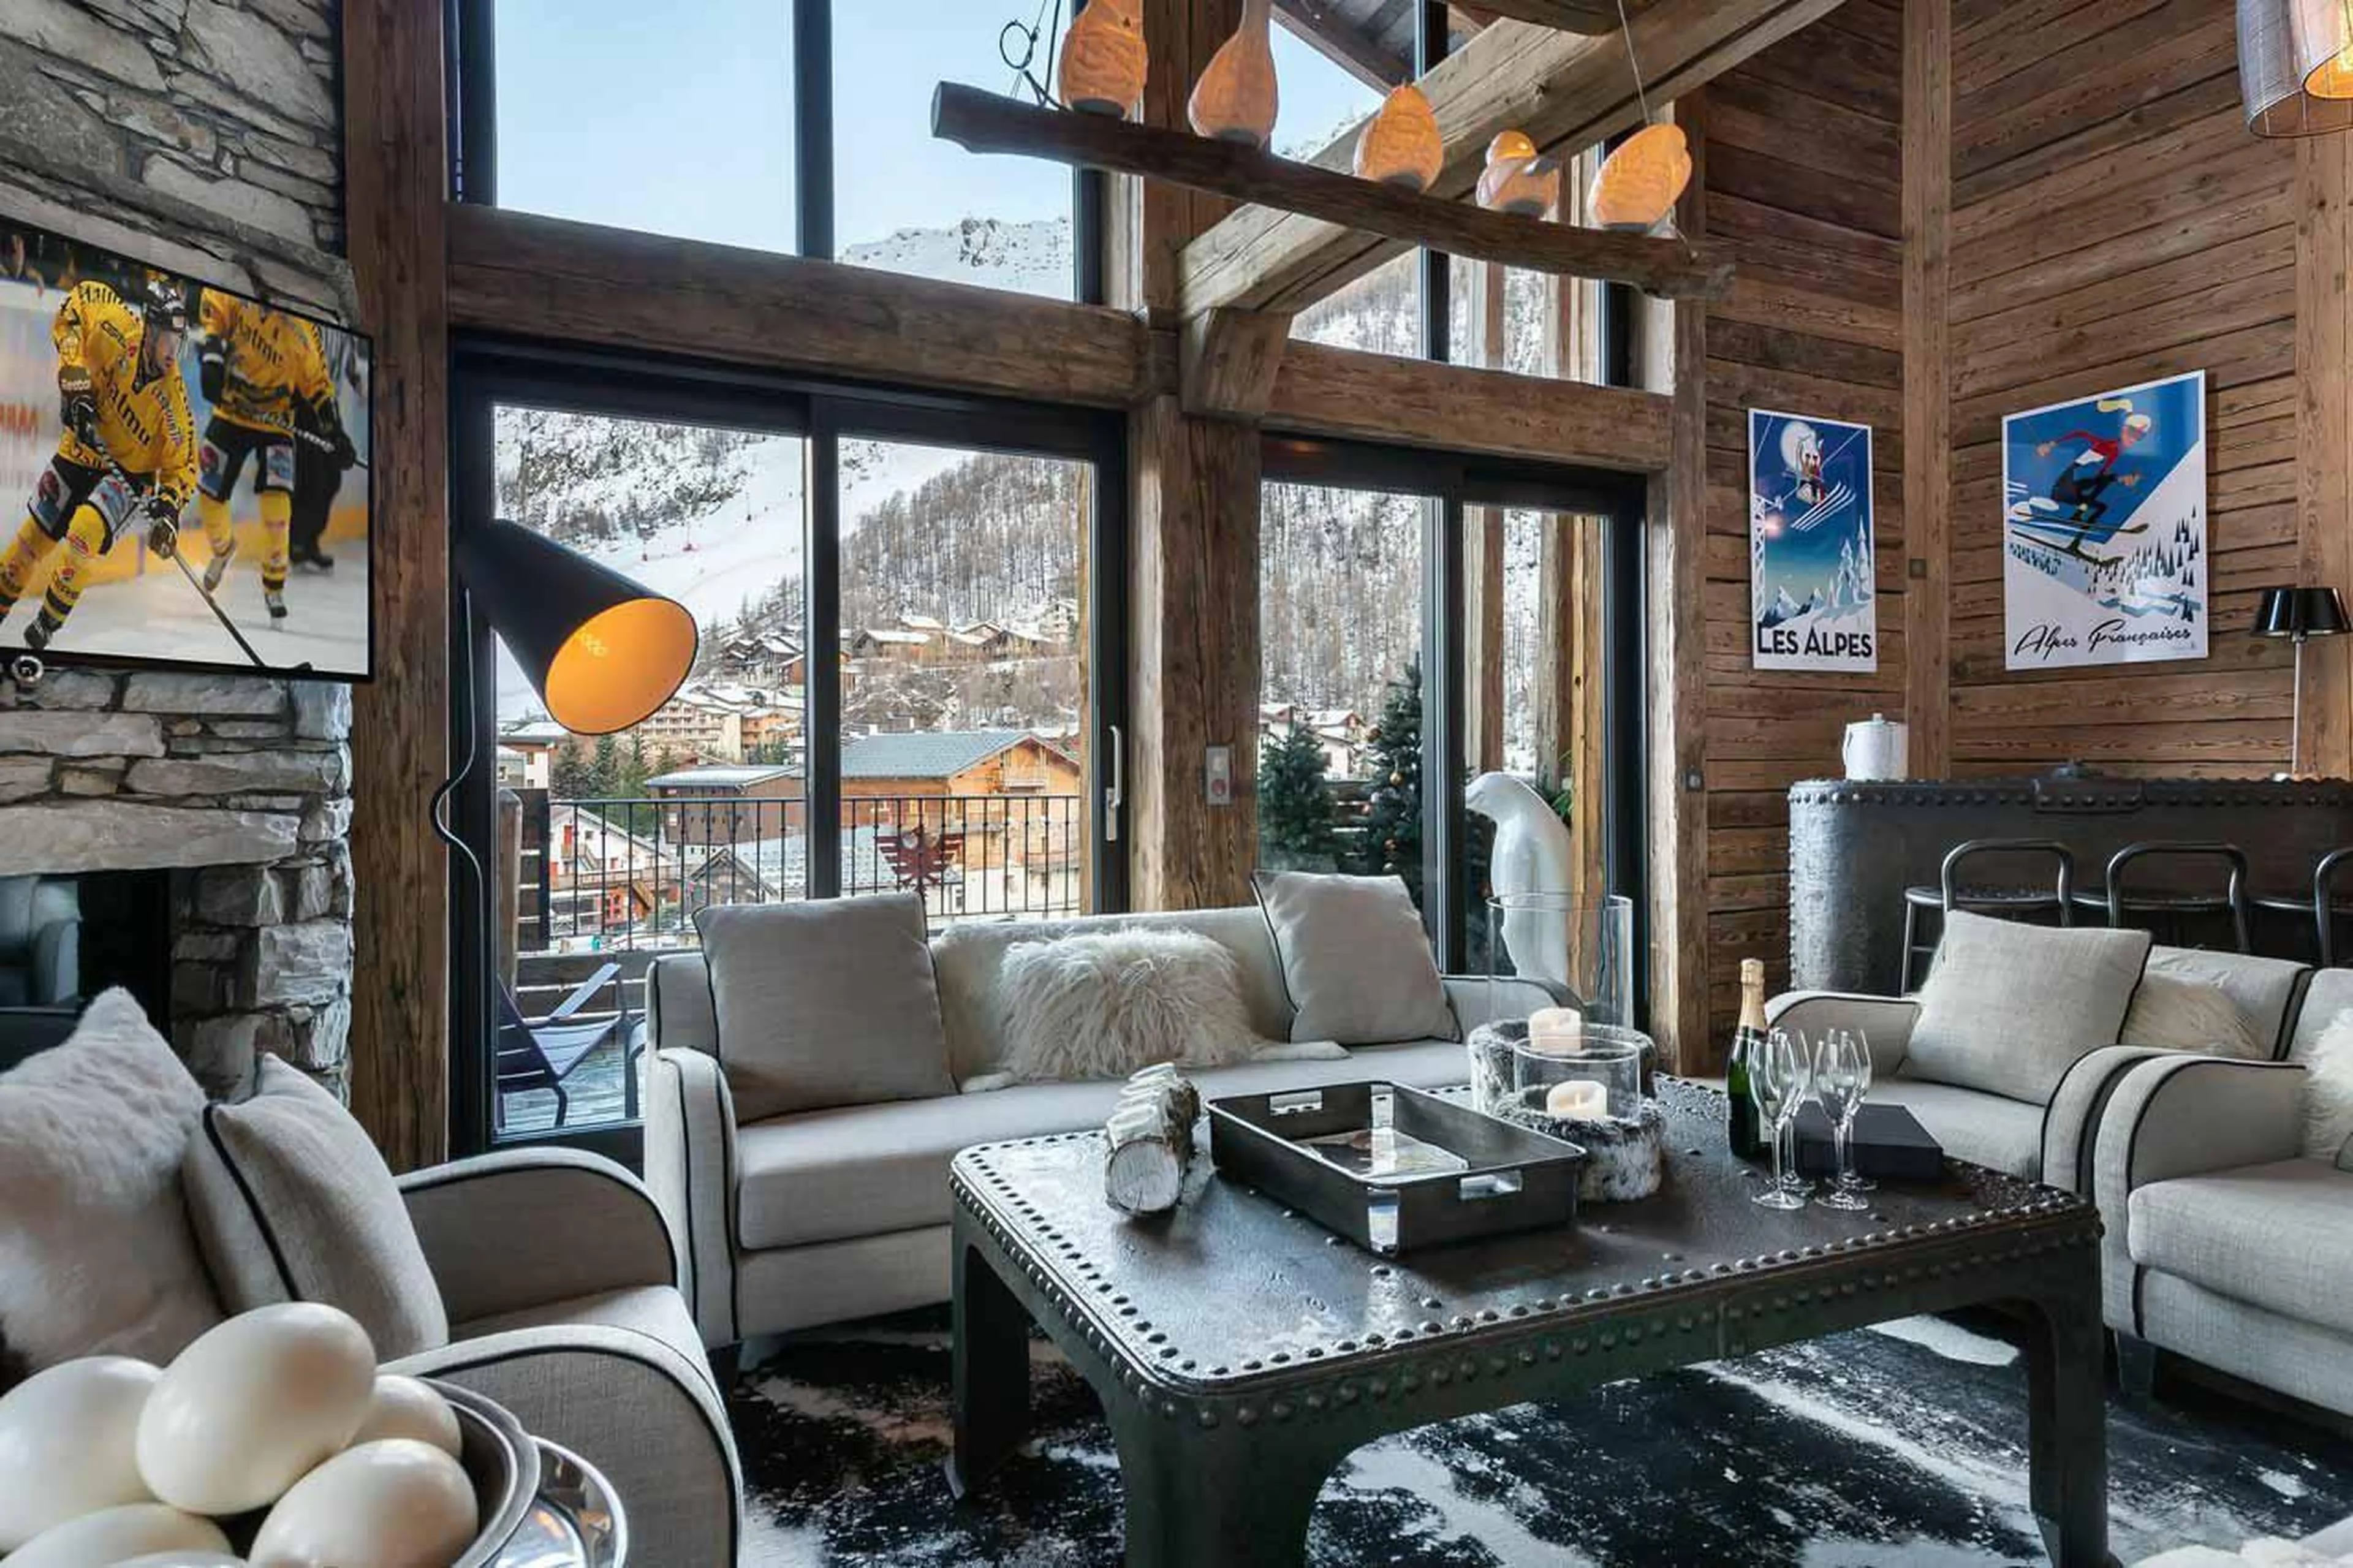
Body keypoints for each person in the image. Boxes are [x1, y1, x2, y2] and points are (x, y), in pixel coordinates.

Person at [0, 274, 195, 651]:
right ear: (150, 331)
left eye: (179, 342)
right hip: (79, 451)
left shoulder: (174, 404)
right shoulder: (116, 329)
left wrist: (169, 508)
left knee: (84, 531)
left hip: (128, 475)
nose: (173, 352)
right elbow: (79, 301)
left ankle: (46, 625)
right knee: (31, 541)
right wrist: (74, 378)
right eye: (168, 340)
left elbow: (183, 466)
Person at [192, 290, 354, 620]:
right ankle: (223, 549)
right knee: (209, 493)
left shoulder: (303, 327)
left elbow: (318, 385)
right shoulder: (240, 292)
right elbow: (215, 312)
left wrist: (335, 432)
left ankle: (274, 584)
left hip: (276, 421)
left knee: (276, 505)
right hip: (232, 411)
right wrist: (212, 356)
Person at [2034, 399, 2151, 533]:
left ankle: (2076, 538)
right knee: (2105, 480)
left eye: (2140, 437)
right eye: (2133, 434)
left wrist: (2125, 478)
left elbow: (2101, 478)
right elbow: (2080, 434)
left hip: (2077, 489)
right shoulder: (2108, 445)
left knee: (2102, 505)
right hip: (2064, 488)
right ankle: (2078, 514)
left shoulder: (2118, 453)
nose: (2134, 440)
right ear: (2124, 430)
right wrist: (2051, 445)